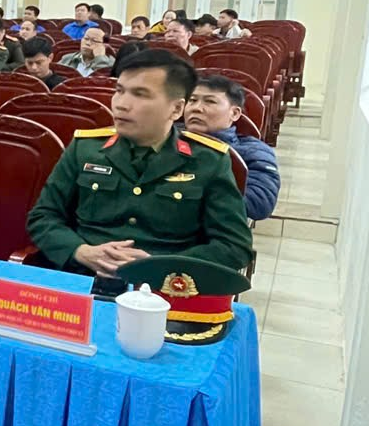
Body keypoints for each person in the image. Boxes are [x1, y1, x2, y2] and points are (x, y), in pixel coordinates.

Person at [27, 49, 254, 275]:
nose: (121, 104)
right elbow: (43, 217)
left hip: (165, 284)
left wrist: (161, 264)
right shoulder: (85, 148)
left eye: (140, 94)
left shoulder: (208, 160)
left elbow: (234, 247)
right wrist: (80, 251)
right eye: (119, 91)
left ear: (176, 108)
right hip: (83, 275)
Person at [184, 74, 280, 221]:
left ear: (234, 113)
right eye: (192, 100)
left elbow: (261, 202)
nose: (196, 108)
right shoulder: (163, 138)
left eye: (210, 101)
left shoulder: (252, 151)